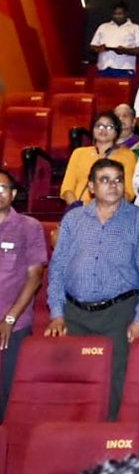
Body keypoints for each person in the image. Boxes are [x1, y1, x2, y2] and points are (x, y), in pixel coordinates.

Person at [47, 158, 139, 418]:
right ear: (91, 187)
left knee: (114, 380)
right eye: (105, 180)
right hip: (74, 314)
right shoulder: (74, 219)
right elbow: (58, 267)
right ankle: (76, 438)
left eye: (118, 180)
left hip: (119, 313)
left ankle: (105, 438)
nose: (113, 185)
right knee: (75, 377)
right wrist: (56, 313)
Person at [0, 171, 47, 417]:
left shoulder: (29, 227)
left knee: (4, 398)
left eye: (2, 188)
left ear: (14, 194)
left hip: (12, 326)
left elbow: (35, 276)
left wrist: (9, 319)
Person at [61, 112, 138, 205]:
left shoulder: (127, 155)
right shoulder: (79, 153)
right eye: (99, 126)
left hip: (112, 210)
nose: (103, 130)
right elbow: (67, 188)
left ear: (117, 132)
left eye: (109, 127)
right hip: (79, 208)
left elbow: (129, 192)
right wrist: (76, 208)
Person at [90, 1, 139, 76]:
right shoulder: (103, 27)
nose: (117, 16)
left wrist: (125, 51)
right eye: (115, 14)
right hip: (104, 67)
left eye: (120, 14)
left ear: (126, 14)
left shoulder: (135, 28)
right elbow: (92, 46)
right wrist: (99, 49)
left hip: (125, 68)